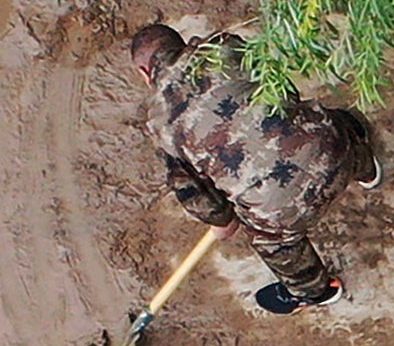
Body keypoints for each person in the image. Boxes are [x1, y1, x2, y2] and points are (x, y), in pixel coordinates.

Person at [128, 22, 376, 313]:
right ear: (180, 44)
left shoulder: (161, 123)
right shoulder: (223, 46)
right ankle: (369, 172)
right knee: (335, 128)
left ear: (145, 73)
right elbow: (285, 91)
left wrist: (220, 220)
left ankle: (315, 292)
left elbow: (191, 188)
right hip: (332, 145)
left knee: (272, 242)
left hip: (280, 208)